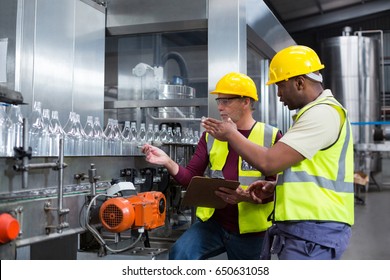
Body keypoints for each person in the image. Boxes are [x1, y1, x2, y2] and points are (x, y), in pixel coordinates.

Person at [202, 45, 354, 260]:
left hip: (314, 230)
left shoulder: (322, 114)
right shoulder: (314, 114)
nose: (278, 94)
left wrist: (231, 135)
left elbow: (269, 162)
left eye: (280, 86)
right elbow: (311, 172)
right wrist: (277, 187)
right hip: (306, 229)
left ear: (299, 82)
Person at [142, 72, 282, 260]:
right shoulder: (210, 136)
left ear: (246, 102)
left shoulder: (271, 136)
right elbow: (190, 178)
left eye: (226, 101)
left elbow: (281, 189)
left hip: (252, 232)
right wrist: (167, 161)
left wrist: (247, 197)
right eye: (218, 101)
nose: (220, 107)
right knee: (180, 254)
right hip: (213, 224)